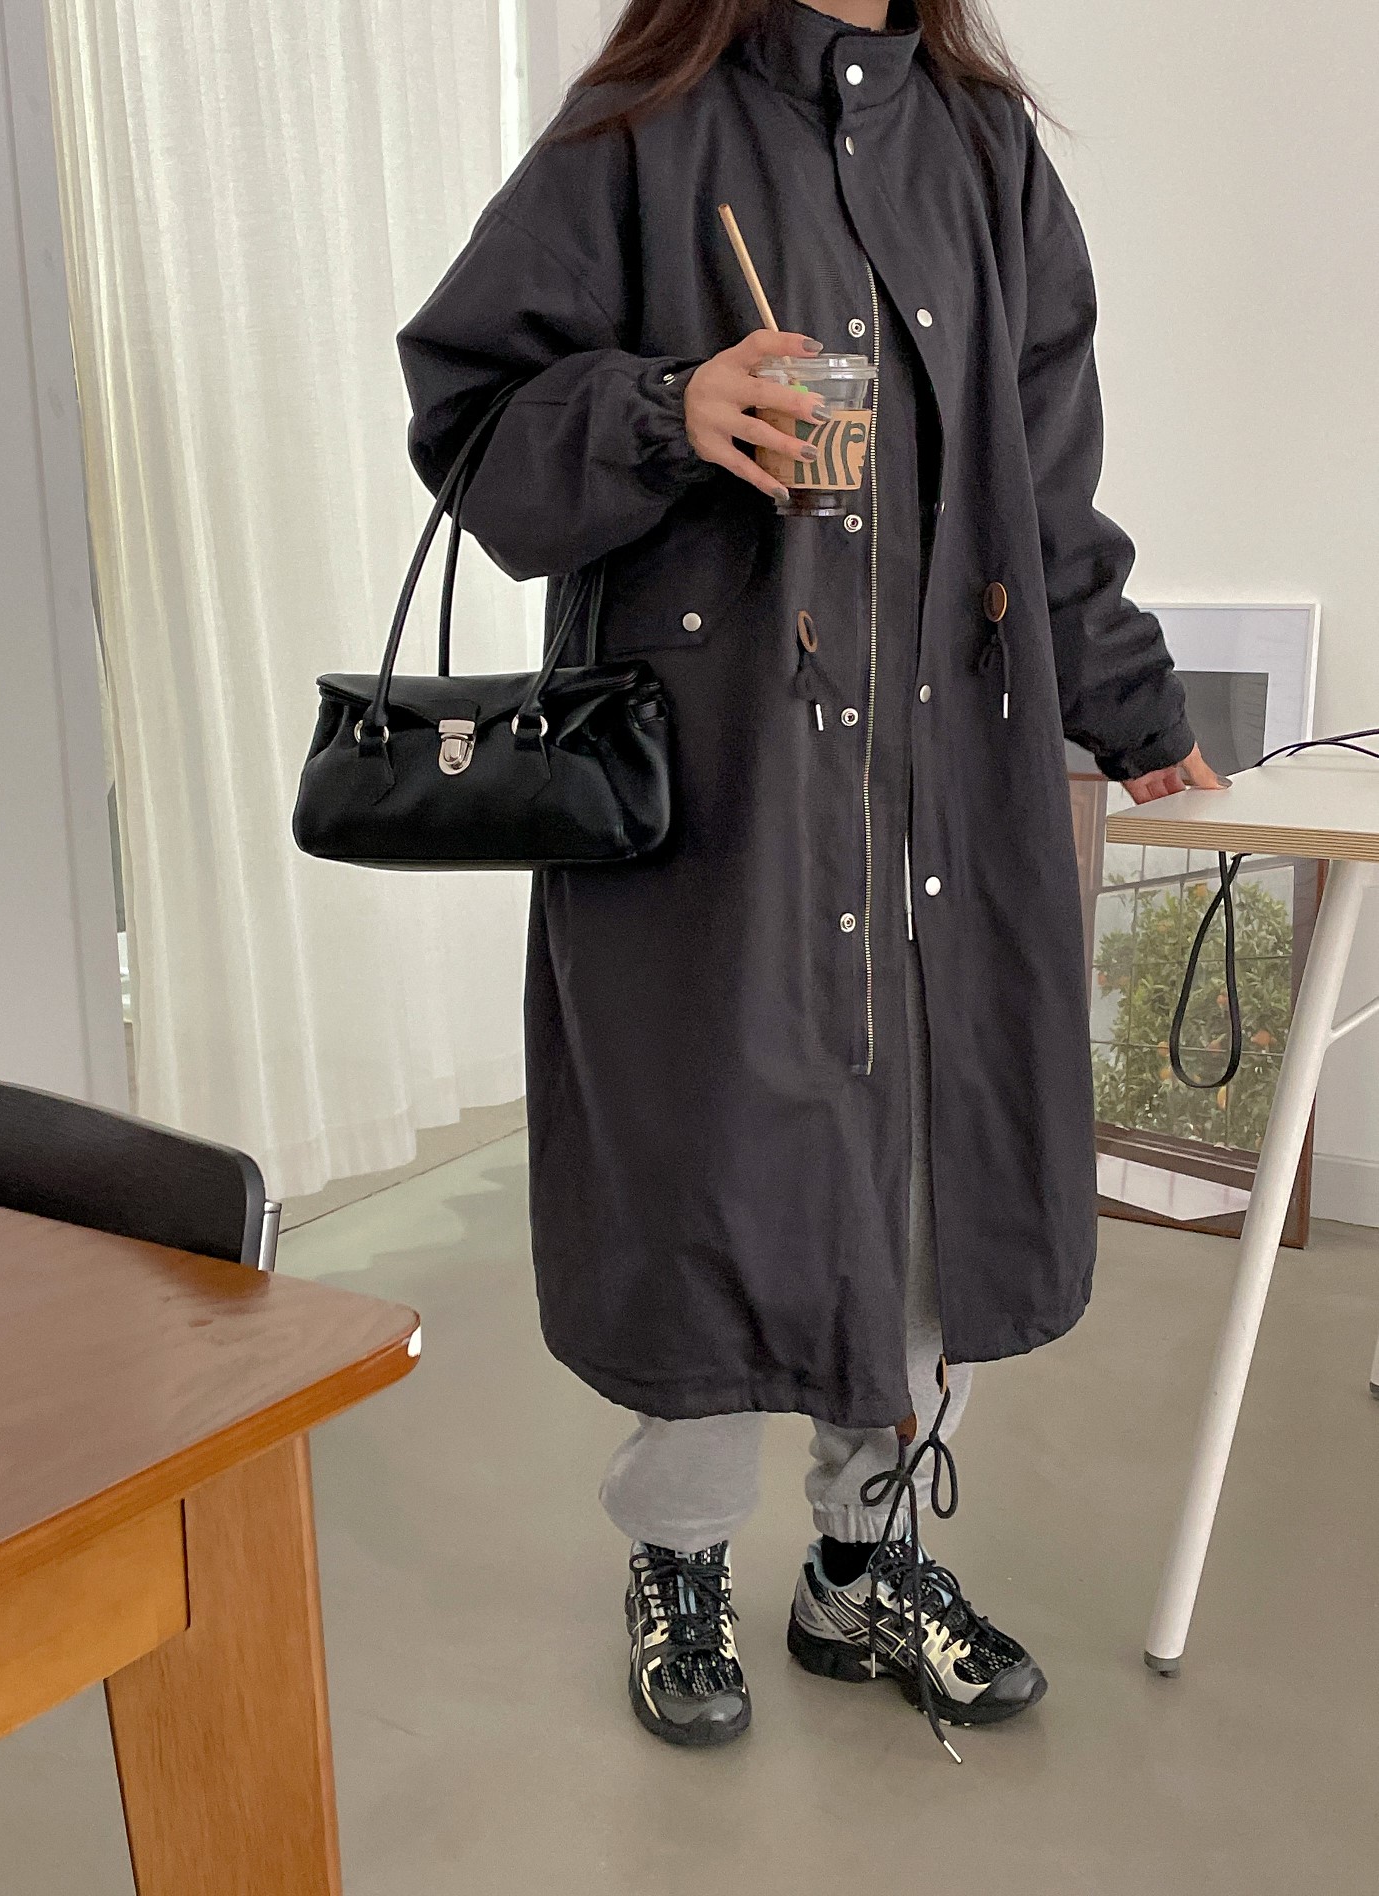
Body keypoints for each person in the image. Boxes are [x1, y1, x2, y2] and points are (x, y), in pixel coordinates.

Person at [396, 0, 1220, 1751]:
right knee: (707, 1168)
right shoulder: (637, 126)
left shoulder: (984, 153)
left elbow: (1046, 489)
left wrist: (1139, 713)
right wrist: (662, 405)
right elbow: (470, 424)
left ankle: (863, 1563)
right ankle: (679, 1560)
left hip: (942, 784)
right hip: (719, 786)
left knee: (925, 1175)